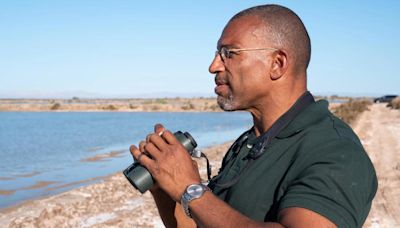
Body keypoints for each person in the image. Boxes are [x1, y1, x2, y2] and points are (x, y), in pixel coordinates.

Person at [129, 4, 377, 228]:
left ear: (277, 64)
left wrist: (191, 189)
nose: (213, 66)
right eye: (218, 53)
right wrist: (165, 184)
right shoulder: (250, 143)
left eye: (229, 53)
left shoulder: (336, 152)